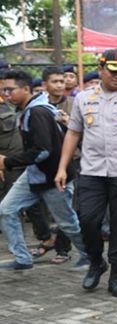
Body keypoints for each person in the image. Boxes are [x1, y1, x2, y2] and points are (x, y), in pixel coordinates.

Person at [55, 49, 117, 297]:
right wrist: (62, 167)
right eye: (113, 71)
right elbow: (73, 133)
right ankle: (96, 262)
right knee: (87, 219)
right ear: (101, 69)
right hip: (92, 171)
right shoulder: (83, 98)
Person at [0, 70, 87, 271]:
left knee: (68, 223)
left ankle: (91, 255)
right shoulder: (31, 109)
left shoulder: (37, 112)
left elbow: (42, 152)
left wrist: (8, 162)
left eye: (10, 89)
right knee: (7, 209)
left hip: (54, 177)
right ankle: (22, 258)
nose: (6, 94)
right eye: (4, 89)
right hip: (34, 174)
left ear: (26, 89)